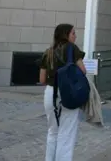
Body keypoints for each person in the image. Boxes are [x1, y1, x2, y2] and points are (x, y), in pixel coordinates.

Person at [39, 23, 87, 161]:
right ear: (66, 35)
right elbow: (83, 71)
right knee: (67, 133)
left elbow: (42, 79)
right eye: (73, 33)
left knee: (52, 131)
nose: (75, 36)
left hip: (50, 93)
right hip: (68, 94)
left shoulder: (48, 52)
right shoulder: (72, 49)